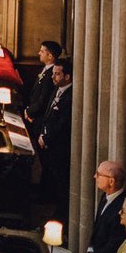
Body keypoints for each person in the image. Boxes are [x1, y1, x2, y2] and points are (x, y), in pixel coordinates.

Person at [38, 58, 74, 207]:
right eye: (53, 73)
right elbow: (48, 114)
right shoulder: (56, 89)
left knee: (59, 181)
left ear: (67, 76)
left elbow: (63, 122)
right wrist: (42, 134)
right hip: (47, 141)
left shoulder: (70, 96)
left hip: (59, 146)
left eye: (57, 74)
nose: (53, 77)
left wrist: (47, 138)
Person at [26, 41, 62, 126]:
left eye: (42, 51)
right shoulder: (44, 69)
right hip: (32, 112)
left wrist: (29, 112)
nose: (39, 53)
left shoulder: (51, 75)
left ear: (50, 56)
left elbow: (44, 100)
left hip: (39, 118)